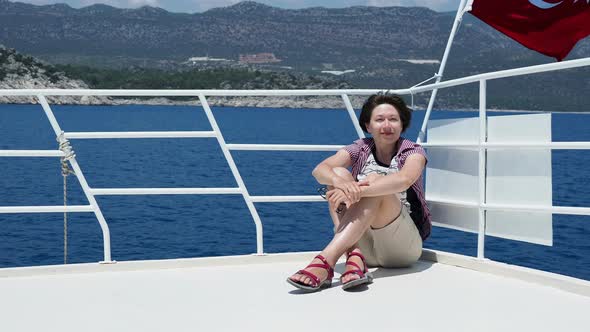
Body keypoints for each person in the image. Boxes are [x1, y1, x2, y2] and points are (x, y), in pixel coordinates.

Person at [287, 93, 431, 292]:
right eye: (379, 120)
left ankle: (325, 260)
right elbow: (320, 170)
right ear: (368, 126)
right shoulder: (361, 148)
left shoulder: (412, 151)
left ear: (402, 124)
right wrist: (339, 182)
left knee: (376, 180)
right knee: (336, 173)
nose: (387, 125)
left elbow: (404, 179)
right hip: (364, 248)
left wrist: (357, 192)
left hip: (402, 249)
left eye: (393, 119)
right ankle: (354, 255)